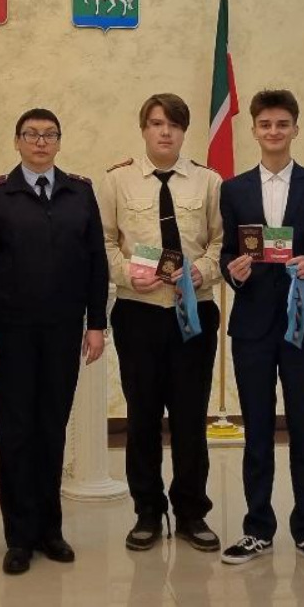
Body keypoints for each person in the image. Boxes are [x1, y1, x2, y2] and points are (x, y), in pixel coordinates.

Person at [0, 108, 109, 575]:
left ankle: (51, 530)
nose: (40, 142)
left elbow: (96, 260)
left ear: (59, 142)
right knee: (15, 433)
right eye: (31, 134)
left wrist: (96, 323)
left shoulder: (79, 192)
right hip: (10, 336)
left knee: (51, 429)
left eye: (49, 135)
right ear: (17, 142)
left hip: (63, 331)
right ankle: (19, 537)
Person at [217, 90, 304, 569]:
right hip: (251, 326)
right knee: (257, 430)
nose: (273, 131)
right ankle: (257, 529)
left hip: (303, 324)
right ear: (253, 130)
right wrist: (233, 270)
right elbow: (228, 252)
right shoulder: (234, 189)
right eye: (265, 124)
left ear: (295, 129)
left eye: (282, 124)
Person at [98, 93, 224, 553]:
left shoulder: (209, 182)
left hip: (194, 311)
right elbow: (104, 242)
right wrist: (125, 274)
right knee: (143, 416)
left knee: (190, 417)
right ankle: (148, 512)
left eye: (173, 124)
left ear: (184, 131)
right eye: (156, 123)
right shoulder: (117, 181)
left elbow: (220, 243)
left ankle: (192, 512)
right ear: (144, 129)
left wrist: (201, 272)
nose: (165, 132)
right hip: (139, 312)